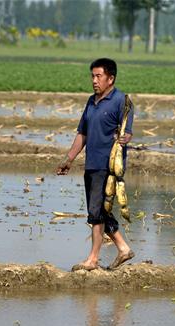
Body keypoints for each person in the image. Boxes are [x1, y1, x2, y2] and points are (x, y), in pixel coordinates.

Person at [56, 58, 135, 271]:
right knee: (100, 210)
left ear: (111, 78)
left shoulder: (122, 101)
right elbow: (82, 133)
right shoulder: (91, 102)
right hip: (91, 164)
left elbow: (127, 130)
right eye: (92, 76)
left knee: (95, 211)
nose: (94, 80)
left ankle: (92, 259)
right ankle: (123, 248)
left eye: (98, 76)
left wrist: (126, 137)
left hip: (107, 166)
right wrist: (69, 159)